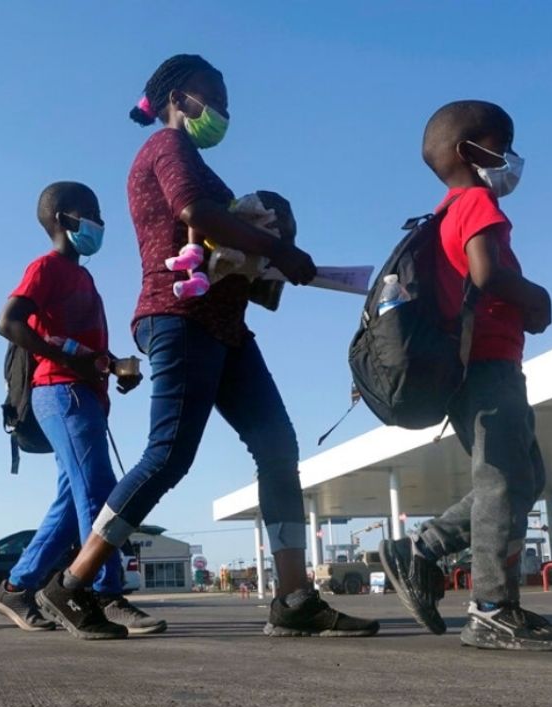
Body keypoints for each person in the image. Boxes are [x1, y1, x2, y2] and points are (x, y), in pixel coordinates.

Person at [35, 54, 378, 640]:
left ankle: (295, 598)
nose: (221, 110)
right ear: (177, 98)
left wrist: (271, 251)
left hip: (224, 325)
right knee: (168, 455)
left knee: (277, 446)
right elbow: (195, 212)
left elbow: (220, 241)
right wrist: (280, 252)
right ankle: (68, 586)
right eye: (211, 97)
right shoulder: (167, 147)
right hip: (180, 317)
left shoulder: (192, 159)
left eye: (225, 101)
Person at [379, 100, 552, 651]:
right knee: (502, 481)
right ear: (469, 151)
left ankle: (422, 548)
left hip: (478, 364)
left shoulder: (447, 211)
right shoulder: (475, 202)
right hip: (487, 365)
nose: (511, 158)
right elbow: (487, 273)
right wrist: (538, 298)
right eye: (503, 145)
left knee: (520, 478)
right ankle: (492, 608)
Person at [0, 181, 163, 638]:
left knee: (71, 502)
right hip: (61, 392)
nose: (100, 224)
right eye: (92, 214)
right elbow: (7, 321)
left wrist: (112, 366)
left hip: (83, 394)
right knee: (100, 492)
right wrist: (69, 361)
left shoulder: (83, 277)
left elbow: (80, 346)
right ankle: (103, 595)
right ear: (63, 218)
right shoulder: (47, 267)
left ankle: (15, 587)